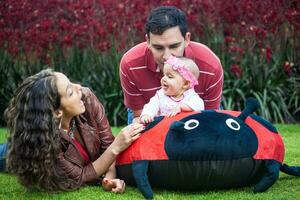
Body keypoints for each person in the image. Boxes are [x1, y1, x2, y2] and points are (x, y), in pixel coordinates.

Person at [2, 69, 144, 193]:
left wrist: (109, 178)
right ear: (57, 112)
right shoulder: (44, 145)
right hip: (26, 149)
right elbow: (80, 176)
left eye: (72, 82)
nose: (79, 88)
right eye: (70, 92)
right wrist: (116, 147)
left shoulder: (86, 98)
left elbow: (107, 145)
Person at [120, 6, 223, 124]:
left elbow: (210, 119)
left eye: (174, 46)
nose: (167, 56)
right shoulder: (130, 64)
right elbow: (139, 116)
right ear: (148, 41)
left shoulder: (210, 65)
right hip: (151, 114)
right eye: (158, 48)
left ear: (187, 39)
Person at [140, 55, 204, 124]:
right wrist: (147, 115)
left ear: (185, 84)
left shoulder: (190, 96)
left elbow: (199, 105)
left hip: (184, 129)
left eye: (169, 77)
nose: (164, 79)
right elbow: (151, 106)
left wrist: (182, 107)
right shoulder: (161, 95)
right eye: (164, 75)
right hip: (164, 127)